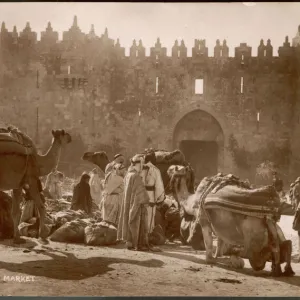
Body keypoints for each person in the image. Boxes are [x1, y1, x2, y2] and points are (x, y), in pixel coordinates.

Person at [117, 154, 151, 251]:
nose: (142, 166)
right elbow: (140, 192)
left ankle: (130, 243)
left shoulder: (128, 175)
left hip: (128, 202)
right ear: (138, 164)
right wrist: (146, 200)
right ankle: (137, 244)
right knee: (135, 222)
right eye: (142, 164)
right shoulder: (136, 176)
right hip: (135, 203)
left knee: (128, 219)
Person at [141, 152, 165, 236]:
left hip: (139, 194)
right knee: (149, 215)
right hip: (150, 196)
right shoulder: (155, 170)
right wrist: (160, 198)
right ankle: (147, 236)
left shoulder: (139, 168)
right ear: (152, 159)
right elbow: (159, 186)